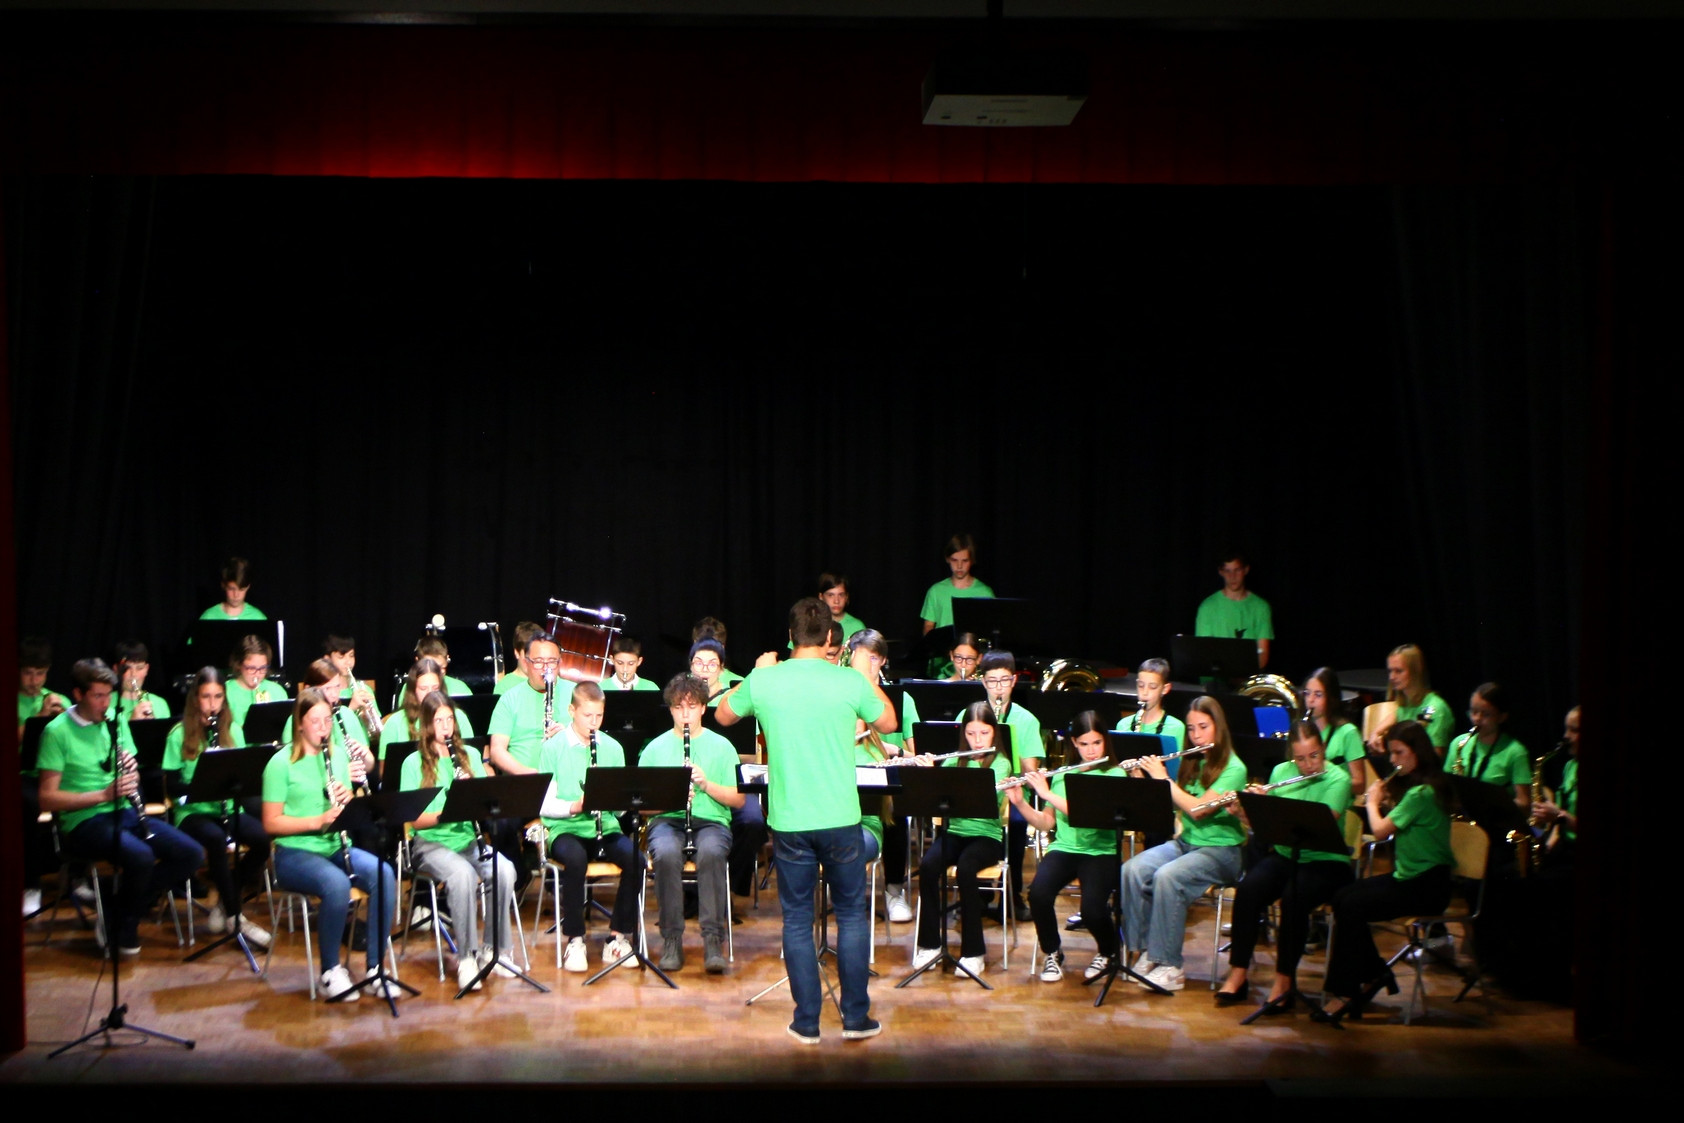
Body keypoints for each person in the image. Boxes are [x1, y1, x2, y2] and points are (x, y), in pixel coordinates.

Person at [717, 596, 895, 1044]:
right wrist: (863, 677)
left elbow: (721, 715)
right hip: (841, 818)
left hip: (790, 820)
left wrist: (758, 673)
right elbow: (890, 721)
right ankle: (856, 1019)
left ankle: (807, 1022)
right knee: (853, 917)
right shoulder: (847, 681)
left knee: (796, 920)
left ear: (790, 636)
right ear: (832, 637)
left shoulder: (764, 679)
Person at [37, 659, 205, 955]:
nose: (105, 703)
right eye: (97, 696)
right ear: (78, 694)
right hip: (82, 821)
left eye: (108, 695)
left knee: (191, 854)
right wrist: (102, 795)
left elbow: (134, 774)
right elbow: (47, 798)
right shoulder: (57, 731)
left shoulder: (115, 722)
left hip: (122, 812)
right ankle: (124, 920)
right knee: (140, 857)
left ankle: (116, 908)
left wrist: (131, 772)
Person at [261, 687, 399, 1002]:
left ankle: (376, 968)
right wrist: (317, 820)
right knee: (336, 885)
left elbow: (342, 810)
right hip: (293, 852)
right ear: (299, 723)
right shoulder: (280, 764)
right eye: (315, 721)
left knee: (384, 874)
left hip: (335, 846)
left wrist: (348, 802)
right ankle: (330, 971)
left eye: (327, 721)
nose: (323, 728)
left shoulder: (336, 755)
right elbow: (270, 822)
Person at [1315, 720, 1454, 1023]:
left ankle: (1347, 993)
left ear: (1418, 752)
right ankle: (1376, 974)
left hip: (1427, 885)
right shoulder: (1418, 789)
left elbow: (1379, 831)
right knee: (1342, 898)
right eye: (1391, 752)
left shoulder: (1423, 793)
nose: (1393, 760)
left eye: (1399, 752)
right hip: (1411, 877)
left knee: (1352, 905)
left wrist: (1373, 802)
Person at [1214, 720, 1353, 1009]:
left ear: (1323, 749)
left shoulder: (1339, 779)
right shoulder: (1280, 772)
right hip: (1286, 855)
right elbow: (1264, 829)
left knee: (1294, 898)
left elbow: (1324, 823)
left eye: (1314, 756)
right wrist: (1246, 810)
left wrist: (1276, 811)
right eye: (1300, 758)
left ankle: (1284, 980)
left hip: (1325, 862)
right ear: (1291, 755)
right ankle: (1239, 973)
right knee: (1249, 889)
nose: (1308, 765)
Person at [1119, 695, 1248, 992]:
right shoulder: (1191, 761)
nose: (1196, 735)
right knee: (1132, 870)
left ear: (1219, 727)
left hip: (1222, 851)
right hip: (1186, 843)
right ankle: (1146, 952)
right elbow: (1167, 803)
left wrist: (1163, 779)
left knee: (1168, 877)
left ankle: (1171, 965)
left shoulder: (1234, 768)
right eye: (1191, 729)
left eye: (1203, 727)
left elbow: (1198, 809)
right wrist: (1141, 777)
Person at [400, 691, 517, 993]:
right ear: (426, 725)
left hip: (467, 840)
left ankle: (495, 951)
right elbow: (413, 819)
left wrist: (473, 794)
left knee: (504, 870)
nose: (445, 726)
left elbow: (485, 803)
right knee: (462, 876)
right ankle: (467, 957)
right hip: (429, 843)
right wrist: (449, 810)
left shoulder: (470, 757)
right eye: (438, 721)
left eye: (449, 719)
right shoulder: (413, 764)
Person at [641, 674, 745, 973]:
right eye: (678, 707)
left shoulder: (722, 746)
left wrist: (706, 784)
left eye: (692, 706)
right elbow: (641, 806)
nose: (685, 713)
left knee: (712, 853)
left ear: (703, 708)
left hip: (711, 821)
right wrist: (671, 796)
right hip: (668, 820)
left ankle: (713, 940)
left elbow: (738, 801)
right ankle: (672, 939)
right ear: (670, 710)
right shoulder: (655, 749)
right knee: (666, 853)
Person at [162, 667, 271, 948]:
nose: (212, 704)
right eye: (206, 697)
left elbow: (243, 775)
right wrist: (201, 786)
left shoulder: (233, 729)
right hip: (192, 812)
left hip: (227, 808)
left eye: (217, 697)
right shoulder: (178, 733)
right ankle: (236, 917)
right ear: (195, 699)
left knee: (261, 839)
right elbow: (172, 786)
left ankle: (226, 900)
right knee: (214, 838)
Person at [1012, 711, 1125, 984]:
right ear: (1074, 743)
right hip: (1065, 848)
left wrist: (1046, 792)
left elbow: (1091, 814)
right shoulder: (1063, 775)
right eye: (1084, 744)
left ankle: (1109, 951)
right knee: (1038, 894)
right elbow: (1046, 822)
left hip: (1100, 851)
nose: (1090, 750)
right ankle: (1052, 951)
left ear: (1105, 742)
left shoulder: (1115, 773)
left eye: (1096, 743)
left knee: (1092, 911)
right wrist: (1020, 803)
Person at [535, 681, 639, 972]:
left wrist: (618, 799)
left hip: (604, 827)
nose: (594, 723)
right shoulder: (553, 748)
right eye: (587, 716)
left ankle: (617, 938)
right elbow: (543, 805)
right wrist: (576, 806)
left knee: (636, 860)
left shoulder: (613, 748)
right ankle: (575, 940)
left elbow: (619, 809)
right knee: (576, 859)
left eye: (599, 716)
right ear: (571, 711)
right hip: (565, 828)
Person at [909, 701, 1009, 979]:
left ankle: (973, 952)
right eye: (971, 734)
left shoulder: (1001, 763)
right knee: (928, 867)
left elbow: (983, 799)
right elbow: (937, 801)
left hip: (986, 837)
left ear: (994, 734)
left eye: (984, 734)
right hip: (955, 833)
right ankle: (929, 945)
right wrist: (930, 776)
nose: (977, 740)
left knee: (966, 869)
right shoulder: (954, 760)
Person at [848, 630, 914, 922]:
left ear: (883, 661)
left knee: (895, 809)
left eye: (872, 658)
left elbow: (915, 755)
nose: (865, 666)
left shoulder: (901, 700)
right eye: (859, 657)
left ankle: (894, 890)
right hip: (847, 773)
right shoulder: (841, 694)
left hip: (889, 780)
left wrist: (892, 750)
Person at [979, 649, 1042, 922]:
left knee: (1015, 823)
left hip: (1014, 791)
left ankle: (1012, 894)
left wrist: (1007, 747)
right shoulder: (969, 715)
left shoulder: (1027, 720)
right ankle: (977, 894)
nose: (998, 688)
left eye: (1004, 681)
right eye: (992, 681)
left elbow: (1032, 771)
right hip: (979, 789)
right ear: (983, 682)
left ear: (1014, 681)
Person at [18, 637, 69, 915]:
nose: (34, 680)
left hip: (55, 772)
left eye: (40, 673)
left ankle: (80, 876)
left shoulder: (56, 699)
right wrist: (38, 718)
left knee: (86, 797)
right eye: (28, 673)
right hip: (23, 774)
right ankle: (31, 884)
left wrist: (64, 720)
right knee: (29, 805)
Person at [377, 657, 476, 775]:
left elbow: (471, 759)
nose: (430, 693)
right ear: (413, 690)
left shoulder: (458, 717)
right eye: (423, 689)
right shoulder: (395, 722)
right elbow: (385, 773)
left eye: (435, 688)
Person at [1445, 682, 1532, 809]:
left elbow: (1524, 803)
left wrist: (1490, 803)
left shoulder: (1516, 752)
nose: (1477, 719)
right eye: (1473, 711)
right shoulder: (1458, 743)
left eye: (1486, 714)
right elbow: (1445, 787)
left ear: (1501, 717)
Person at [486, 633, 563, 775]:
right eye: (538, 661)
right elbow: (497, 751)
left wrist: (569, 736)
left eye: (552, 661)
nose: (546, 668)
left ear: (560, 662)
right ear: (527, 663)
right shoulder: (509, 698)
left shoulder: (577, 693)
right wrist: (527, 774)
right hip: (525, 783)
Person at [1194, 552, 1273, 669]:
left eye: (1237, 570)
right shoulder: (1207, 607)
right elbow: (1204, 651)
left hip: (1247, 679)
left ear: (1246, 570)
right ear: (1221, 572)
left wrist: (1243, 675)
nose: (1232, 576)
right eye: (1228, 571)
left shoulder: (1260, 607)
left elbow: (1262, 653)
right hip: (1215, 680)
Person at [1379, 643, 1454, 752]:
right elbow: (1395, 715)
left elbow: (1433, 759)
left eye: (1398, 671)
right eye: (1390, 671)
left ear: (1415, 672)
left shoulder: (1433, 708)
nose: (1392, 677)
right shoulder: (1406, 704)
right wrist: (1377, 732)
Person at [1305, 666, 1367, 797]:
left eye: (1318, 695)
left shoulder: (1348, 733)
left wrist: (1329, 785)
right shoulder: (1301, 731)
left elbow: (1360, 784)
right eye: (1307, 693)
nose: (1310, 700)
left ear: (1331, 698)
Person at [1531, 705, 1579, 866]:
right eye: (1566, 729)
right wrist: (1546, 848)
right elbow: (1559, 826)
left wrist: (1559, 815)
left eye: (1574, 730)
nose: (1566, 736)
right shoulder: (1570, 766)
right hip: (1566, 849)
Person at [920, 533, 995, 635]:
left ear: (972, 561)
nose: (959, 566)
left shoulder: (984, 592)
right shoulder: (936, 591)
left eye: (965, 561)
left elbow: (990, 629)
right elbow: (928, 626)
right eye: (955, 560)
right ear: (948, 559)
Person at [1115, 658, 1185, 751]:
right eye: (1141, 685)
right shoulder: (1123, 725)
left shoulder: (1176, 727)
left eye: (1152, 687)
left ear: (1165, 689)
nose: (1145, 692)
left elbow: (1176, 765)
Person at [324, 634, 385, 741]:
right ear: (328, 659)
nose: (348, 662)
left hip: (364, 749)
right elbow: (328, 730)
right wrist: (351, 709)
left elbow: (376, 733)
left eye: (351, 655)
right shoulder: (325, 693)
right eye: (341, 657)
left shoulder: (364, 689)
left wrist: (367, 717)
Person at [224, 635, 289, 732]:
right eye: (251, 668)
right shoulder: (225, 691)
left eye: (263, 668)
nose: (257, 674)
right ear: (238, 664)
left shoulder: (277, 691)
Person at [112, 640, 171, 726]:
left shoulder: (160, 703)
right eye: (127, 668)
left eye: (139, 668)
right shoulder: (105, 702)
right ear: (116, 669)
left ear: (146, 669)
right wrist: (132, 723)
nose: (133, 674)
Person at [200, 556, 267, 620]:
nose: (236, 595)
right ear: (223, 585)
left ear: (247, 587)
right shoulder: (208, 617)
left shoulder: (258, 618)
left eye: (241, 589)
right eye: (231, 589)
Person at [493, 621, 546, 695]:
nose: (532, 661)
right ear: (517, 653)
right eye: (527, 655)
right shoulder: (505, 686)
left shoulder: (549, 681)